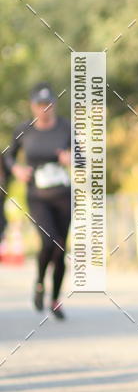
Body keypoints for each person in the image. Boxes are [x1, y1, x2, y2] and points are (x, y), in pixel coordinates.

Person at [5, 84, 72, 319]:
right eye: (40, 105)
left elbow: (83, 157)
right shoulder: (24, 130)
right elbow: (8, 157)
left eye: (49, 105)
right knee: (48, 241)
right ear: (33, 107)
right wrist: (18, 170)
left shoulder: (66, 127)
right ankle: (40, 283)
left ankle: (55, 299)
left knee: (61, 247)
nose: (45, 110)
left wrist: (71, 158)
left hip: (63, 194)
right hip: (38, 196)